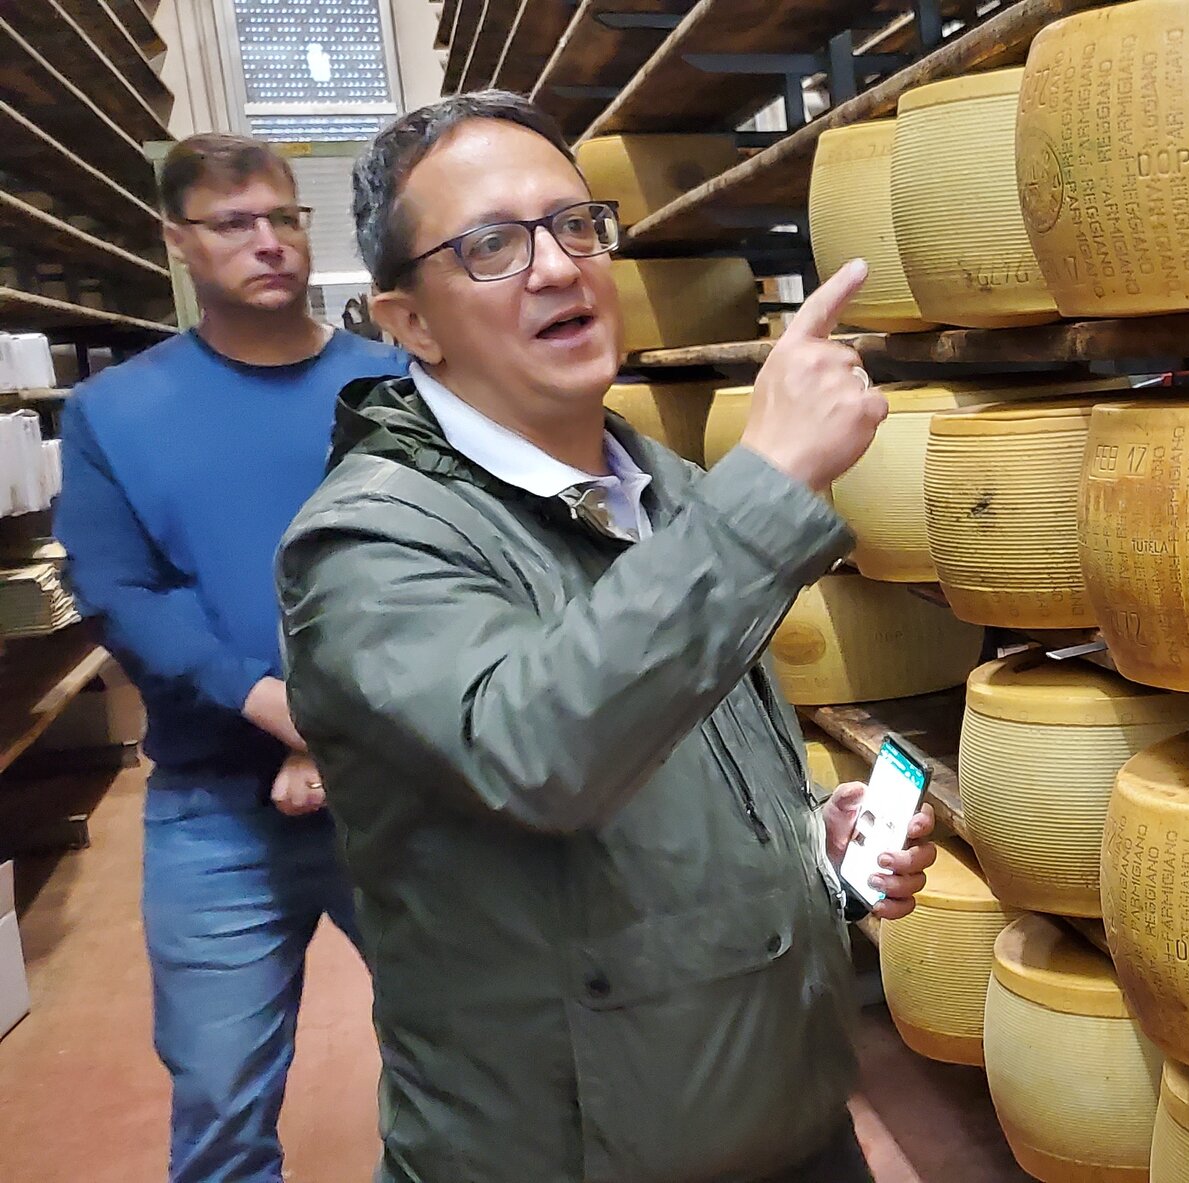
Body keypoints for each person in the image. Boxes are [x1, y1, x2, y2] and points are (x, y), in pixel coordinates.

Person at [274, 91, 936, 1182]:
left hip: (791, 1123)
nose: (553, 266)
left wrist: (803, 844)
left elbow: (667, 754)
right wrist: (768, 481)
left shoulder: (662, 493)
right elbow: (542, 751)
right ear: (409, 322)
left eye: (573, 224)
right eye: (490, 245)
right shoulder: (365, 547)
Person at [54, 132, 407, 1181]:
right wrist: (269, 704)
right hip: (214, 811)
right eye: (235, 225)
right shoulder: (113, 412)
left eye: (286, 218)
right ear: (178, 242)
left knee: (470, 1058)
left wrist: (335, 725)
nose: (271, 244)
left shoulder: (391, 388)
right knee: (219, 1101)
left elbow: (426, 572)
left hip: (400, 791)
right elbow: (123, 590)